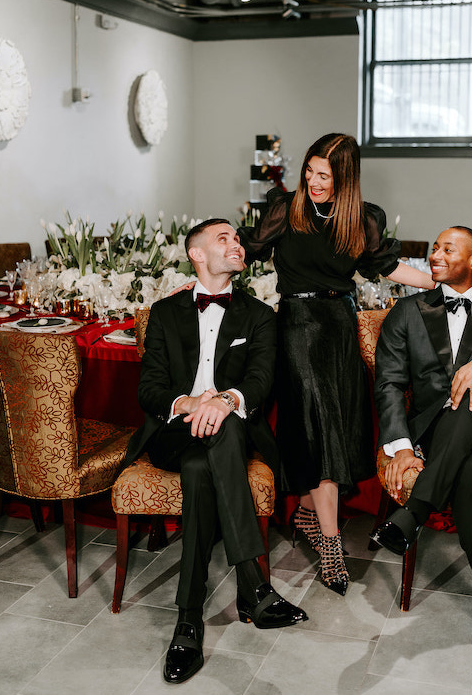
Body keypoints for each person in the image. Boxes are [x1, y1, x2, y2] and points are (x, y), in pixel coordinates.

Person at [239, 133, 434, 595]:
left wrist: (440, 283)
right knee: (320, 427)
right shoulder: (287, 208)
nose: (313, 181)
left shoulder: (362, 219)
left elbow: (386, 267)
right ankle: (331, 545)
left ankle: (309, 511)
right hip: (297, 326)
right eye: (309, 171)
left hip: (339, 326)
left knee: (332, 429)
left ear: (344, 177)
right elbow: (247, 251)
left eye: (324, 175)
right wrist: (207, 265)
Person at [123, 218, 307, 685]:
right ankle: (255, 588)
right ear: (197, 254)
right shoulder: (165, 314)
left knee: (202, 465)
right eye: (223, 239)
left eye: (237, 238)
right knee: (202, 445)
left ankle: (188, 618)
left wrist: (224, 402)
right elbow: (149, 389)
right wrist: (189, 403)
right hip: (174, 429)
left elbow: (260, 381)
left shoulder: (260, 315)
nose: (237, 244)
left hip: (229, 426)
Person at [370, 226, 472, 670]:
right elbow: (389, 383)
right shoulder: (407, 312)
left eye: (447, 249)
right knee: (469, 471)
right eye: (434, 248)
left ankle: (414, 513)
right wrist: (401, 447)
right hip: (437, 437)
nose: (434, 254)